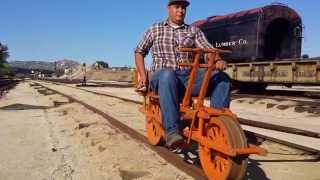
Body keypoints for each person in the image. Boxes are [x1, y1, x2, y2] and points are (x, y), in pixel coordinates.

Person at [134, 0, 230, 148]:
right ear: (169, 9)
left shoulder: (194, 31)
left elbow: (208, 50)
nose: (181, 11)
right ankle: (172, 131)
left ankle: (217, 122)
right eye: (177, 7)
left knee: (221, 78)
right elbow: (139, 51)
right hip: (162, 76)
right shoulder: (155, 29)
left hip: (187, 77)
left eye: (183, 8)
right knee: (168, 74)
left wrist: (217, 60)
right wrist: (144, 76)